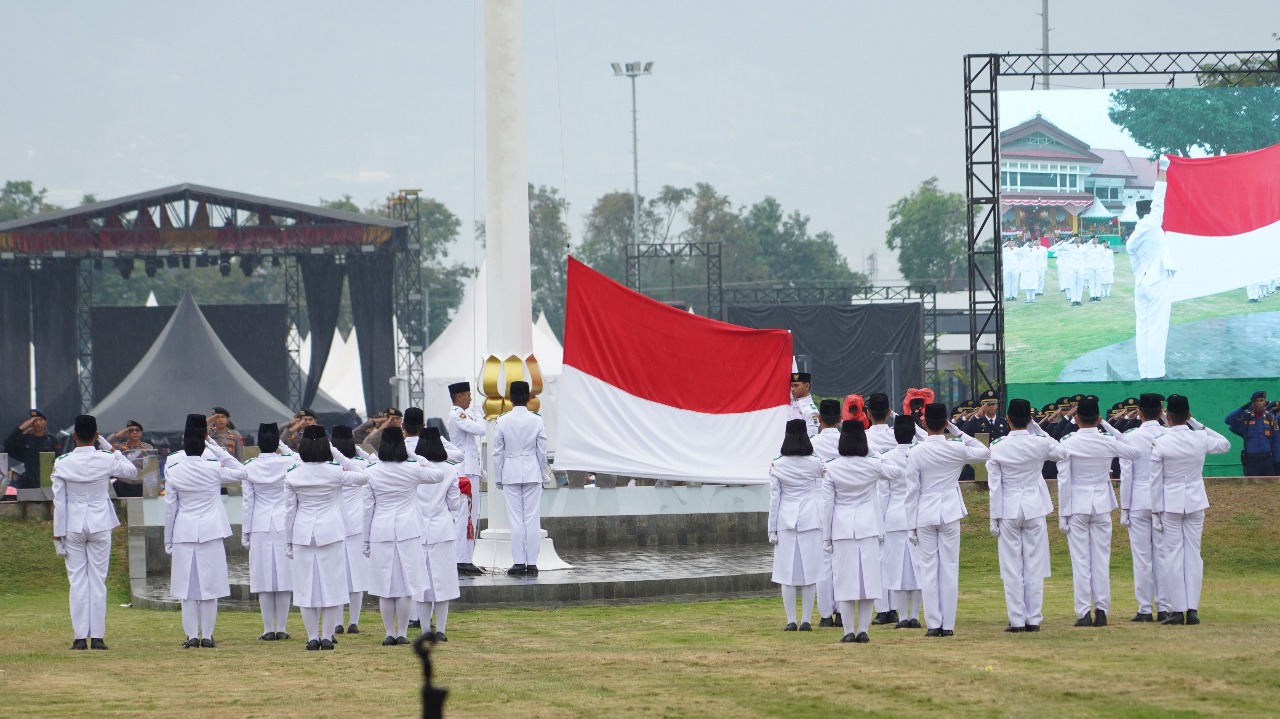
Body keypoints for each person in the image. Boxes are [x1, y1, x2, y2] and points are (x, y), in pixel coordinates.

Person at [52, 414, 137, 650]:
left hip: (73, 524)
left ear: (74, 436)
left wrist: (57, 535)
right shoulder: (106, 459)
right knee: (98, 580)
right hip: (100, 522)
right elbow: (131, 471)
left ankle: (80, 638)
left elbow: (59, 502)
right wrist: (110, 447)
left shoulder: (63, 462)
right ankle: (97, 637)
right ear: (96, 435)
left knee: (78, 581)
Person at [1056, 398, 1142, 628]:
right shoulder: (1107, 440)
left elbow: (1063, 480)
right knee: (1101, 559)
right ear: (1098, 418)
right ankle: (1102, 610)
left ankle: (1083, 612)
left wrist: (1063, 513)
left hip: (1077, 504)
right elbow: (1135, 452)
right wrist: (1109, 428)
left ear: (1076, 419)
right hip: (1101, 504)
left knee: (1080, 561)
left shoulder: (1068, 442)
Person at [163, 414, 248, 648]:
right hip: (211, 530)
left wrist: (168, 539)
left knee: (187, 587)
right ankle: (207, 636)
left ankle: (192, 636)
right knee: (210, 586)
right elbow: (242, 472)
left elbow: (170, 508)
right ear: (205, 437)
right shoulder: (213, 465)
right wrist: (216, 449)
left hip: (184, 530)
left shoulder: (173, 467)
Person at [906, 403, 990, 637]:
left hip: (925, 512)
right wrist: (958, 431)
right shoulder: (957, 447)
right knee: (949, 568)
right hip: (950, 510)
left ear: (924, 423)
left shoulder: (916, 452)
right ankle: (948, 624)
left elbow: (911, 492)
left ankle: (934, 624)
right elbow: (985, 451)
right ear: (945, 423)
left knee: (928, 569)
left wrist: (910, 526)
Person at [285, 424, 369, 650]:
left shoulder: (293, 474)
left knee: (306, 588)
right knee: (333, 586)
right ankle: (326, 637)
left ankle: (313, 637)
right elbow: (363, 476)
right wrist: (338, 454)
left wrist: (288, 541)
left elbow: (289, 512)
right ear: (326, 446)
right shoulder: (335, 471)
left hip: (303, 533)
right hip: (331, 532)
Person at [1151, 394, 1232, 625]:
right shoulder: (1200, 437)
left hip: (1171, 503)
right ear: (1188, 415)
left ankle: (1178, 610)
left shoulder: (1161, 441)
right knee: (1193, 556)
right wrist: (1196, 423)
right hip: (1195, 501)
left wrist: (1155, 512)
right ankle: (1192, 610)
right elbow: (1225, 444)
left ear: (1167, 416)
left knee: (1173, 556)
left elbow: (1155, 481)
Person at [986, 399, 1065, 633]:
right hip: (1034, 507)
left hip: (1008, 509)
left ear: (1008, 419)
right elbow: (1063, 452)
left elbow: (994, 486)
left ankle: (1017, 620)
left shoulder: (998, 446)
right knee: (1034, 565)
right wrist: (1038, 430)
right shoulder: (1039, 443)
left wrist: (994, 518)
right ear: (1029, 419)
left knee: (1012, 567)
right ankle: (1033, 618)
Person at [363, 427, 446, 646]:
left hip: (382, 529)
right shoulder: (411, 468)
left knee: (385, 587)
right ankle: (402, 633)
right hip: (408, 530)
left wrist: (365, 539)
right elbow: (438, 474)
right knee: (405, 585)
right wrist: (416, 456)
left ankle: (389, 633)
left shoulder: (372, 471)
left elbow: (368, 509)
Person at [823, 421, 901, 644]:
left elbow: (828, 505)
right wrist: (874, 452)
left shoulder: (831, 467)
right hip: (868, 527)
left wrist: (826, 536)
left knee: (844, 581)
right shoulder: (872, 464)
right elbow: (896, 471)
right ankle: (863, 630)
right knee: (869, 580)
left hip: (842, 528)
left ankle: (848, 631)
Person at [1118, 394, 1172, 622]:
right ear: (1161, 412)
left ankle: (1145, 609)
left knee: (1142, 558)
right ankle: (1165, 606)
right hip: (1164, 500)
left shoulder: (1131, 437)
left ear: (1139, 413)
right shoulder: (1169, 435)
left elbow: (1126, 475)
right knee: (1163, 555)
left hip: (1138, 499)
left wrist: (1125, 507)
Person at [242, 422, 297, 641]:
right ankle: (281, 628)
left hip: (260, 524)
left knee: (263, 578)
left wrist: (245, 532)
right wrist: (282, 445)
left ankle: (267, 629)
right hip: (283, 523)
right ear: (277, 442)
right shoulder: (289, 462)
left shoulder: (249, 466)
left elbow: (248, 503)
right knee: (284, 577)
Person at [769, 419, 825, 631]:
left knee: (786, 574)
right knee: (810, 573)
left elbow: (774, 500)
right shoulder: (815, 463)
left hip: (786, 521)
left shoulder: (777, 464)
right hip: (810, 520)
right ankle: (806, 621)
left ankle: (791, 620)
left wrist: (771, 529)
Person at [493, 381, 550, 577]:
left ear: (510, 398)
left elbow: (497, 453)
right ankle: (532, 564)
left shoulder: (502, 420)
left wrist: (498, 477)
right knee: (532, 519)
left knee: (516, 520)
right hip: (532, 471)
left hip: (510, 472)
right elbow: (542, 451)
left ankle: (518, 563)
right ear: (528, 398)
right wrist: (544, 474)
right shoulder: (537, 420)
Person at [1128, 160, 1175, 379]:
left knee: (1143, 329)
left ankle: (1144, 371)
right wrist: (1163, 169)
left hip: (1141, 283)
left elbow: (1136, 265)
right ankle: (1156, 372)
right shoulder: (1151, 224)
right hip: (1156, 281)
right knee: (1157, 328)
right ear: (1148, 213)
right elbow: (1159, 198)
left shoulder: (1133, 237)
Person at [414, 427, 462, 642]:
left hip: (417, 528)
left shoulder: (414, 468)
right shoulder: (450, 469)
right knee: (444, 582)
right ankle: (441, 629)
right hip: (442, 529)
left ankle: (425, 629)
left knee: (422, 584)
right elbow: (454, 504)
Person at [880, 416, 923, 629]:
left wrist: (880, 523)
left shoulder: (886, 458)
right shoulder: (921, 453)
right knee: (918, 567)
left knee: (895, 568)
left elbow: (883, 495)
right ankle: (914, 615)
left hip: (894, 516)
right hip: (917, 515)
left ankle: (904, 616)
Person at [330, 425, 370, 636]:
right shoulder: (361, 464)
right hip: (357, 524)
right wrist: (361, 451)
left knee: (337, 574)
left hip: (336, 524)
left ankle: (338, 621)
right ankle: (353, 621)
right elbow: (374, 462)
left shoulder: (330, 466)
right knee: (357, 576)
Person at [446, 381, 486, 576]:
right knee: (465, 516)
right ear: (459, 396)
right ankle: (460, 559)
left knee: (471, 516)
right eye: (468, 395)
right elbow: (481, 430)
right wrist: (479, 414)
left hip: (470, 469)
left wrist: (480, 469)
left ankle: (466, 558)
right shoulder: (458, 415)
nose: (470, 399)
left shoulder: (462, 414)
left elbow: (472, 446)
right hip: (464, 471)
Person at [810, 399, 842, 629]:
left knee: (823, 562)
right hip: (843, 503)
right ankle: (841, 611)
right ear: (839, 419)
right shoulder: (847, 441)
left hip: (820, 503)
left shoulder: (812, 444)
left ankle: (825, 614)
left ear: (819, 419)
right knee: (842, 561)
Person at [1223, 391, 1280, 477]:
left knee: (1268, 484)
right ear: (1252, 403)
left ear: (1265, 402)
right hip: (1251, 461)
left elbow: (1276, 440)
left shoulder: (1270, 418)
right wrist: (1243, 408)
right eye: (1256, 401)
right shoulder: (1246, 417)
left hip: (1267, 460)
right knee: (1250, 484)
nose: (1259, 403)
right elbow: (1228, 420)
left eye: (1261, 400)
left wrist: (1277, 461)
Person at [5, 409, 63, 489]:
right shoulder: (25, 439)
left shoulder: (52, 440)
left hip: (48, 480)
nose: (38, 423)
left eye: (41, 420)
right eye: (35, 420)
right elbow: (7, 445)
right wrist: (21, 428)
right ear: (31, 423)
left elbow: (59, 459)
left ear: (46, 422)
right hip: (29, 482)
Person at [105, 420, 153, 497]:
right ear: (127, 433)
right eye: (131, 430)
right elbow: (106, 444)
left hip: (140, 486)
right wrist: (119, 435)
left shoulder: (147, 448)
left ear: (141, 433)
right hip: (123, 485)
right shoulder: (120, 447)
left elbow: (151, 468)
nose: (134, 432)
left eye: (137, 430)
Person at [788, 372, 819, 437]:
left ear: (807, 386)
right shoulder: (791, 401)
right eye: (791, 386)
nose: (792, 389)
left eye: (796, 386)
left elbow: (812, 436)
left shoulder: (810, 410)